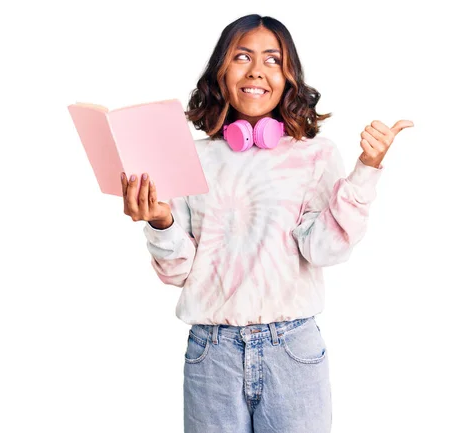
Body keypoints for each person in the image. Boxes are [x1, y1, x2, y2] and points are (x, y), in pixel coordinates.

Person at [120, 13, 413, 433]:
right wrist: (161, 222)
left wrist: (366, 168)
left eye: (272, 60)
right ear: (220, 72)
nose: (257, 69)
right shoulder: (192, 157)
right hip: (212, 353)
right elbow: (180, 272)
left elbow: (325, 249)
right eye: (242, 56)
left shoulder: (316, 155)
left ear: (289, 75)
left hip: (292, 351)